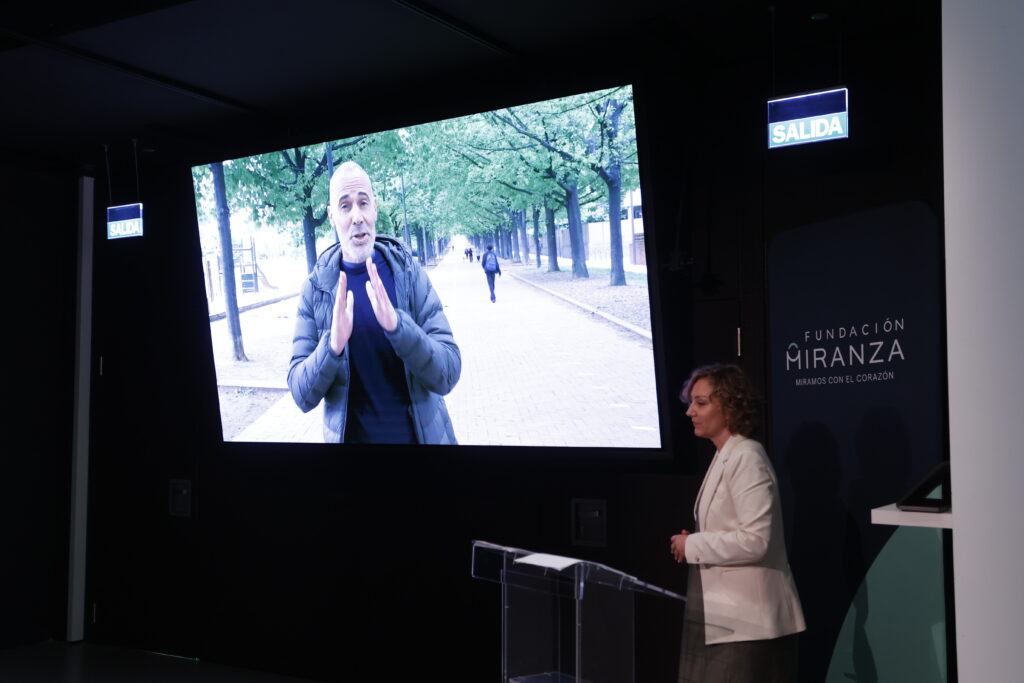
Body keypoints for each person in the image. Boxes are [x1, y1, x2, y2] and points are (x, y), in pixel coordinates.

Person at [287, 161, 461, 444]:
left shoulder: (407, 272)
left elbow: (448, 372)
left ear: (374, 209)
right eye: (345, 206)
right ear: (332, 216)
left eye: (363, 203)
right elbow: (300, 394)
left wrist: (399, 328)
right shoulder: (315, 289)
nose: (357, 217)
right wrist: (332, 345)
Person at [670, 363, 805, 683]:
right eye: (691, 402)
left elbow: (756, 540)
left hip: (749, 621)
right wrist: (698, 541)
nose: (690, 411)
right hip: (724, 614)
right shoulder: (726, 454)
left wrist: (694, 544)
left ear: (730, 408)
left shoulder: (747, 456)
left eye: (701, 403)